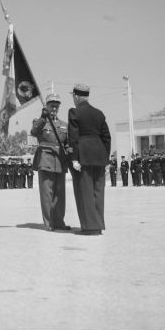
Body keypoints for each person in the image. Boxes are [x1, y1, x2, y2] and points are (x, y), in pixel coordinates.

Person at [68, 85, 111, 236]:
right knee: (98, 192)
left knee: (85, 192)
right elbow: (106, 137)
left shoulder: (74, 112)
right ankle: (98, 225)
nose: (72, 99)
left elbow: (73, 138)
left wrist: (74, 159)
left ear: (77, 96)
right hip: (99, 156)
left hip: (84, 156)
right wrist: (106, 159)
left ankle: (89, 227)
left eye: (73, 96)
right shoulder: (99, 113)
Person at [31, 93, 70, 231]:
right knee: (47, 193)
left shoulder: (64, 125)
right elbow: (34, 132)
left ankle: (59, 222)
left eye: (56, 106)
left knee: (60, 194)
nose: (54, 108)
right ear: (46, 106)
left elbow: (67, 143)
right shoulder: (40, 122)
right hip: (45, 160)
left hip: (60, 160)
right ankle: (48, 223)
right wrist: (43, 117)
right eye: (51, 105)